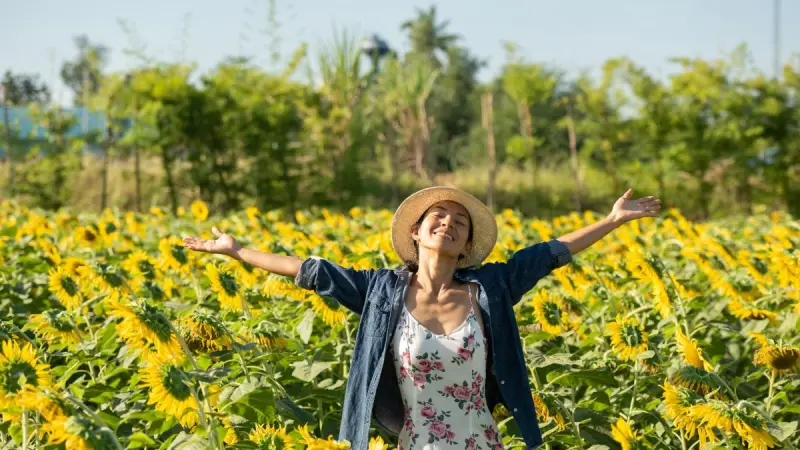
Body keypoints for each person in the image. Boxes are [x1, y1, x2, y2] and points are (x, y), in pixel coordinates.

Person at [182, 185, 661, 450]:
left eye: (460, 221)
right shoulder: (382, 293)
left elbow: (548, 254)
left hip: (479, 443)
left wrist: (613, 220)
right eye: (439, 215)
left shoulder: (488, 290)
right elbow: (312, 272)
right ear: (416, 231)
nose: (449, 223)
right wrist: (238, 250)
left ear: (467, 242)